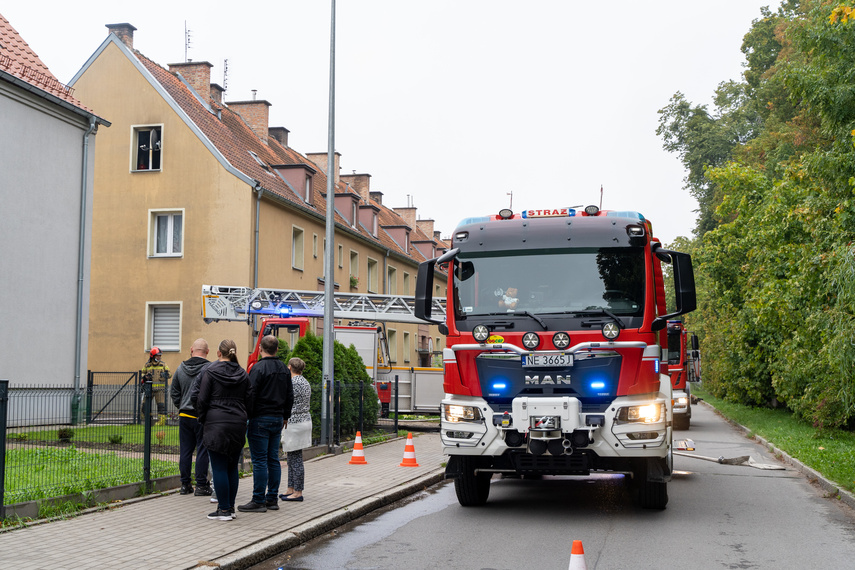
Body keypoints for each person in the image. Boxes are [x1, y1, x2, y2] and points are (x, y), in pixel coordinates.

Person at [196, 339, 253, 521]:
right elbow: (250, 400)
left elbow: (202, 399)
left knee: (219, 467)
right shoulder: (243, 374)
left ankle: (224, 510)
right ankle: (229, 507)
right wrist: (244, 416)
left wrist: (203, 418)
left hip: (215, 423)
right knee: (232, 467)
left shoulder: (210, 372)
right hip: (237, 423)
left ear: (219, 353)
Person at [238, 335, 293, 513]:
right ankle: (272, 498)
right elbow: (289, 395)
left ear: (260, 348)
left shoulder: (258, 368)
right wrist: (285, 416)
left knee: (260, 461)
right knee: (273, 459)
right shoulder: (284, 369)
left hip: (260, 418)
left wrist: (248, 416)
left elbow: (250, 394)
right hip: (278, 419)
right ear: (277, 349)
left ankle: (258, 499)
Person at [170, 338, 213, 497]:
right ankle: (201, 485)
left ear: (191, 349)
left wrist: (181, 405)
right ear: (207, 352)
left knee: (186, 450)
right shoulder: (209, 368)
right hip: (202, 416)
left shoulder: (180, 368)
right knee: (203, 449)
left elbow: (174, 392)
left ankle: (185, 484)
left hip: (185, 415)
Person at [279, 357, 311, 502]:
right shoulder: (305, 382)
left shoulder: (292, 383)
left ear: (290, 367)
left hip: (294, 422)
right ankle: (290, 488)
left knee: (295, 458)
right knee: (292, 457)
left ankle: (297, 492)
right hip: (304, 421)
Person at [141, 347, 170, 423]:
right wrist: (144, 377)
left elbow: (169, 374)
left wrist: (165, 374)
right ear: (153, 356)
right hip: (149, 389)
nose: (159, 357)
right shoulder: (147, 365)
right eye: (157, 355)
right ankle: (148, 421)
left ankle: (161, 422)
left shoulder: (163, 365)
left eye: (160, 355)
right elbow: (142, 373)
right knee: (145, 406)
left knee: (161, 407)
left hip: (160, 390)